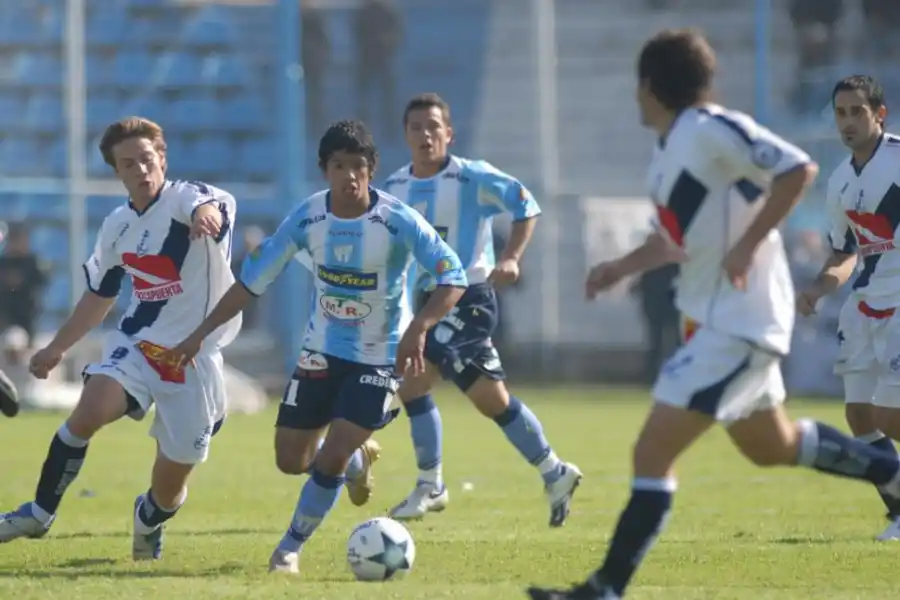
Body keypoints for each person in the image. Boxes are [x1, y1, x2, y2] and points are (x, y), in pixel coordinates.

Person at [527, 30, 900, 600]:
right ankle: (888, 469)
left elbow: (797, 169)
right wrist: (619, 267)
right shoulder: (672, 148)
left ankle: (604, 589)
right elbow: (674, 239)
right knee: (769, 445)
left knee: (651, 451)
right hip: (715, 319)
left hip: (739, 323)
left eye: (638, 85)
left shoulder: (709, 127)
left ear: (650, 86)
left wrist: (749, 244)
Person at [164, 119, 467, 574]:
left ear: (371, 170)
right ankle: (356, 461)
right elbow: (251, 282)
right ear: (325, 169)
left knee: (331, 453)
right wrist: (197, 335)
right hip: (320, 353)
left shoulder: (397, 222)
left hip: (379, 357)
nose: (349, 176)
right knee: (291, 460)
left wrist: (419, 326)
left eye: (358, 166)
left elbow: (452, 275)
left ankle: (289, 548)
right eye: (339, 166)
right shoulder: (308, 218)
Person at [0, 117, 241, 560]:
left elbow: (209, 207)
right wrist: (56, 349)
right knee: (89, 409)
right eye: (129, 164)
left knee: (170, 490)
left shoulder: (192, 198)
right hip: (138, 346)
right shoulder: (116, 227)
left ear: (162, 158)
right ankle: (39, 512)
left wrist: (206, 216)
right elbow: (99, 296)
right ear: (117, 172)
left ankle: (148, 516)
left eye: (148, 159)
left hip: (192, 359)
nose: (141, 170)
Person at [382, 93, 582, 527]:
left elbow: (525, 204)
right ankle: (555, 471)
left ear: (449, 133)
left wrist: (511, 257)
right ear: (405, 135)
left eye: (434, 127)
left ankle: (430, 484)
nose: (425, 135)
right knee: (492, 400)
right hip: (426, 302)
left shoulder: (471, 178)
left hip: (470, 298)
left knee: (414, 376)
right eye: (416, 127)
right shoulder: (395, 189)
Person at [797, 75, 900, 539]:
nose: (847, 122)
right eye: (840, 113)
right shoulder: (839, 181)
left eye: (857, 112)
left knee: (889, 416)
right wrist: (818, 289)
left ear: (879, 114)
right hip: (865, 302)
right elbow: (844, 252)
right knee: (860, 417)